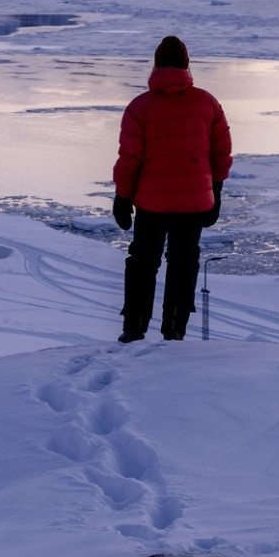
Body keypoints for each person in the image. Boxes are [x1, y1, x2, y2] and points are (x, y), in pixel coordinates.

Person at [112, 35, 232, 342]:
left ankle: (134, 327)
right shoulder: (208, 103)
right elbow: (221, 152)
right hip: (193, 205)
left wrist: (123, 197)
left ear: (156, 65)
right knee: (184, 262)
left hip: (151, 205)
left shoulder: (140, 107)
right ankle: (175, 329)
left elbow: (130, 159)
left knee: (142, 262)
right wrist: (215, 190)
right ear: (187, 65)